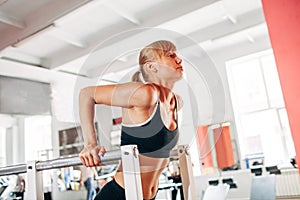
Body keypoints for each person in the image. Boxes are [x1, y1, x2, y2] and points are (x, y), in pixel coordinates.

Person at [79, 40, 184, 200]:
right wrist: (90, 144)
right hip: (120, 195)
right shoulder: (145, 94)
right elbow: (87, 94)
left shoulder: (176, 102)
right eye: (170, 55)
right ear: (152, 67)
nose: (179, 59)